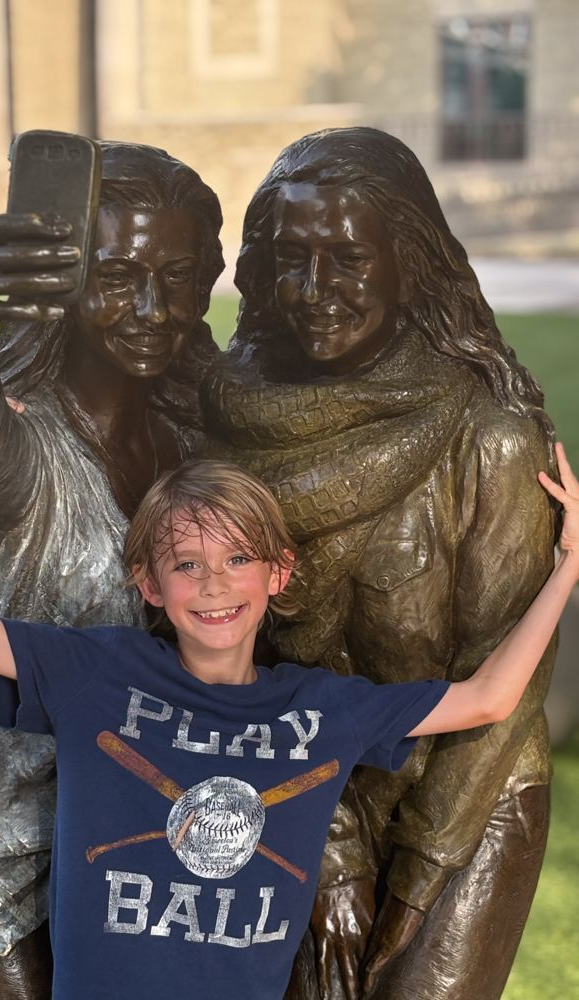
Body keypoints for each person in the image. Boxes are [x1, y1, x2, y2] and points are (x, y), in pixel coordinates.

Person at [0, 436, 578, 1000]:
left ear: (278, 573)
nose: (213, 584)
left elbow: (489, 697)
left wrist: (567, 568)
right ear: (149, 583)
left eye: (237, 560)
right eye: (186, 565)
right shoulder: (99, 675)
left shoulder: (321, 710)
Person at [201, 127, 559, 999]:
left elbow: (501, 692)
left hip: (466, 787)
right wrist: (331, 854)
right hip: (296, 792)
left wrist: (414, 882)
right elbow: (224, 665)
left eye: (348, 259)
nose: (315, 291)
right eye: (293, 259)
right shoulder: (221, 425)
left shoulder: (493, 436)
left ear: (410, 263)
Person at [0, 141, 224, 999]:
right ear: (64, 285)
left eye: (178, 276)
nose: (152, 307)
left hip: (137, 839)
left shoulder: (201, 442)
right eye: (116, 275)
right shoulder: (26, 444)